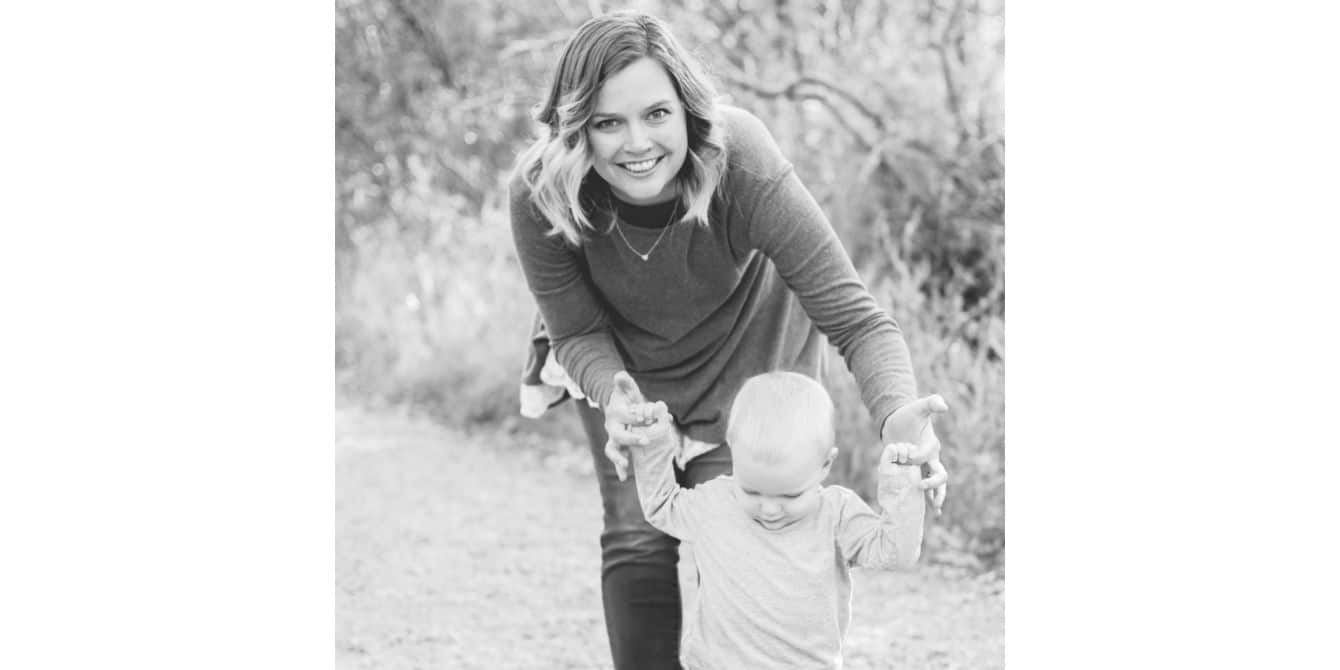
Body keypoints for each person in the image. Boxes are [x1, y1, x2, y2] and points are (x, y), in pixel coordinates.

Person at [508, 10, 948, 669]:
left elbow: (855, 318)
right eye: (607, 122)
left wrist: (899, 421)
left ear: (686, 108)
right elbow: (575, 331)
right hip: (632, 379)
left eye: (656, 114)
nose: (636, 142)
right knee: (636, 535)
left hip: (748, 367)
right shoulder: (541, 192)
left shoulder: (737, 157)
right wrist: (614, 396)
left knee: (757, 537)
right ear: (577, 129)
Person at [628, 371, 935, 669]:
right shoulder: (716, 503)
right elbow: (662, 506)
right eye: (751, 491)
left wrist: (903, 485)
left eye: (790, 496)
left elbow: (897, 554)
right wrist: (651, 446)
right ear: (733, 451)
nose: (770, 509)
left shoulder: (834, 514)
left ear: (825, 464)